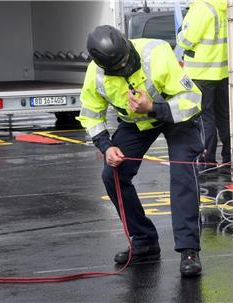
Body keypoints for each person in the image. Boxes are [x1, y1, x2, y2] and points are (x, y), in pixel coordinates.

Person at [78, 25, 204, 277]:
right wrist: (107, 146)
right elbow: (90, 114)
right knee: (113, 174)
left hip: (174, 116)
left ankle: (189, 249)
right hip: (137, 123)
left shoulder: (156, 53)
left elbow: (191, 101)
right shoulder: (96, 74)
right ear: (103, 65)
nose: (125, 67)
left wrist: (153, 108)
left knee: (181, 172)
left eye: (127, 60)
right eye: (119, 67)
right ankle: (144, 240)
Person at [176, 0, 230, 172]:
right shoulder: (223, 7)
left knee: (205, 118)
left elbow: (185, 40)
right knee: (224, 117)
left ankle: (208, 158)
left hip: (201, 73)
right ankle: (228, 157)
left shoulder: (200, 9)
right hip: (222, 72)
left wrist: (180, 31)